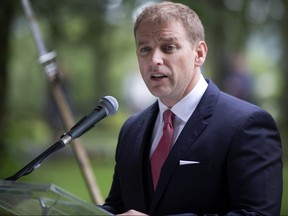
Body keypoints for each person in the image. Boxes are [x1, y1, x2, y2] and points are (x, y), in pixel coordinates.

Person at [101, 1, 283, 215]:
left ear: (199, 54)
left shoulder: (247, 125)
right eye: (145, 49)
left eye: (168, 47)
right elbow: (117, 206)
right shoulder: (131, 129)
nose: (154, 60)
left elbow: (258, 213)